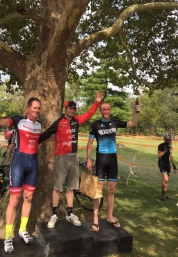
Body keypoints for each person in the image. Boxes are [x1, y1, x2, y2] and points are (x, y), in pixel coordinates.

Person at [0, 91, 42, 255]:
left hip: (33, 165)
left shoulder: (39, 124)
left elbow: (41, 139)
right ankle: (8, 237)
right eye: (34, 108)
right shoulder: (18, 120)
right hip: (18, 165)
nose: (37, 110)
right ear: (28, 108)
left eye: (39, 108)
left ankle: (22, 230)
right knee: (14, 201)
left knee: (28, 198)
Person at [39, 91, 102, 228]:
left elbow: (88, 114)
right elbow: (47, 133)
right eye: (70, 108)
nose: (72, 110)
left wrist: (97, 102)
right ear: (65, 109)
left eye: (74, 109)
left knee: (71, 187)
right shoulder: (59, 122)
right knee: (57, 187)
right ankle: (54, 214)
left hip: (73, 158)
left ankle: (69, 214)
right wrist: (32, 142)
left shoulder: (77, 121)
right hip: (61, 158)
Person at [86, 100, 139, 232]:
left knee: (111, 190)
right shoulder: (95, 125)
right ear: (100, 111)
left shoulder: (115, 122)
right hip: (101, 159)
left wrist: (136, 110)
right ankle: (95, 219)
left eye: (108, 109)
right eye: (104, 109)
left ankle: (110, 216)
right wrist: (88, 159)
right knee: (98, 190)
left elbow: (133, 123)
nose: (106, 111)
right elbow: (90, 142)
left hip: (113, 159)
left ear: (110, 110)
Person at [158, 133, 177, 201]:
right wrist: (165, 150)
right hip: (162, 163)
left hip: (167, 163)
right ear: (165, 140)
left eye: (170, 140)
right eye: (168, 140)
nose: (169, 141)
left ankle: (164, 194)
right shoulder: (161, 146)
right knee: (165, 179)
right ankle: (163, 194)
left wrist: (174, 165)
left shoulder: (170, 147)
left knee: (166, 180)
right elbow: (159, 155)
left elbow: (170, 156)